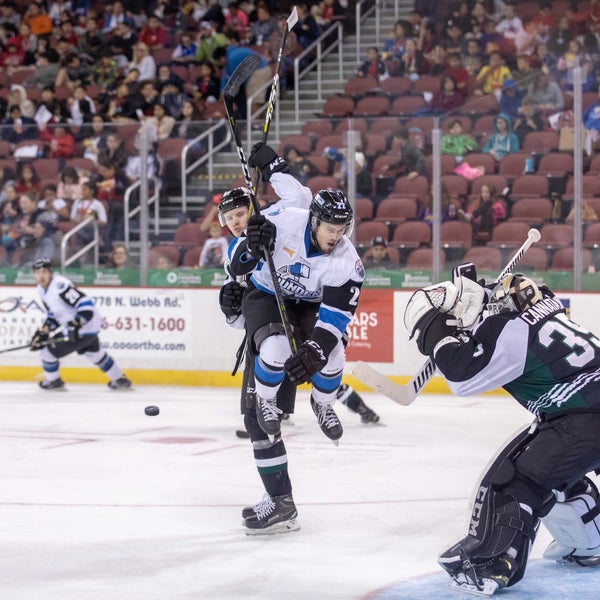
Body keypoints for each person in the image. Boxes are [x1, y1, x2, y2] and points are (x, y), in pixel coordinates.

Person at [403, 269, 600, 596]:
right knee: (557, 472)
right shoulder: (549, 310)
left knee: (517, 481)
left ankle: (495, 563)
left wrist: (433, 327)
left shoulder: (511, 329)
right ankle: (588, 540)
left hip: (583, 417)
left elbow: (462, 377)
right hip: (580, 413)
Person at [29, 257, 132, 390]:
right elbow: (53, 315)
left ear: (50, 271)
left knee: (46, 352)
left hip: (83, 327)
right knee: (95, 354)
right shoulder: (41, 290)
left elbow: (86, 307)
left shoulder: (60, 286)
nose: (41, 275)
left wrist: (76, 324)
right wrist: (43, 332)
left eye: (44, 271)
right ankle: (120, 379)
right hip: (88, 328)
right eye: (38, 272)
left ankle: (54, 382)